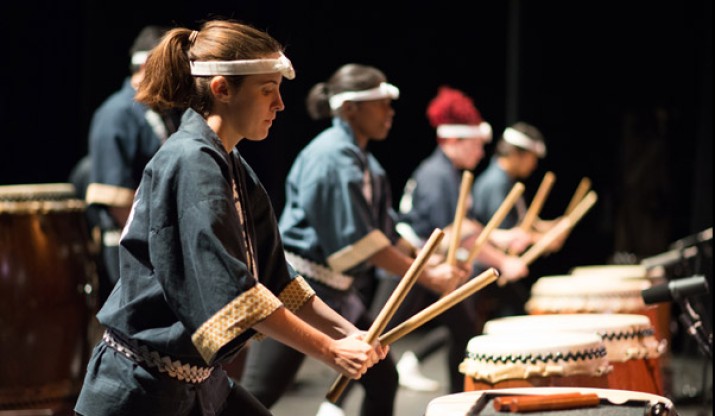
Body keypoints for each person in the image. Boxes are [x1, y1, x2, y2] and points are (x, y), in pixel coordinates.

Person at [74, 19, 388, 416]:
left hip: (198, 383)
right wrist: (330, 350)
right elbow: (234, 290)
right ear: (222, 89)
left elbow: (278, 279)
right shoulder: (190, 161)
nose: (280, 104)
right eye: (267, 90)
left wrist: (351, 332)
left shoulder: (228, 161)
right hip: (139, 389)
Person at [239, 65, 469, 416]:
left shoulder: (361, 160)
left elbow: (383, 229)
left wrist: (429, 261)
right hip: (299, 288)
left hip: (336, 289)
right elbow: (359, 242)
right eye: (380, 104)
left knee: (381, 374)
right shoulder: (332, 157)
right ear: (350, 109)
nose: (390, 113)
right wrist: (426, 275)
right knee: (260, 392)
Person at [380, 86, 530, 394]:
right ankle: (335, 405)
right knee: (374, 339)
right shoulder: (437, 175)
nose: (480, 152)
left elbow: (463, 227)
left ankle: (457, 401)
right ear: (452, 140)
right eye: (475, 144)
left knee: (462, 331)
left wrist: (501, 237)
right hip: (408, 267)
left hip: (429, 267)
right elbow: (452, 232)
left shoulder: (449, 172)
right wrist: (503, 261)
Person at [78, 25, 181, 306]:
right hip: (134, 250)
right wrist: (161, 246)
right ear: (149, 65)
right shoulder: (117, 113)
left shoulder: (159, 111)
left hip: (158, 245)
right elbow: (118, 202)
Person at [471, 121, 564, 319]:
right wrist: (542, 240)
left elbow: (524, 223)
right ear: (516, 154)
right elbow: (508, 235)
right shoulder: (497, 184)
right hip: (487, 269)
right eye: (532, 158)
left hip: (496, 267)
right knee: (521, 312)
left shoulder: (506, 180)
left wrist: (552, 228)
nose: (534, 164)